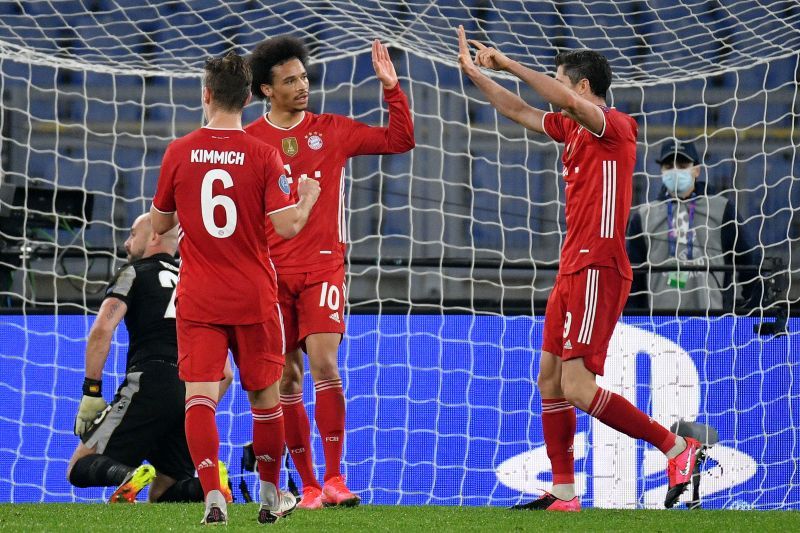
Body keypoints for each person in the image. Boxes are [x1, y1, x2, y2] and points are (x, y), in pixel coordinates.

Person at [456, 26, 704, 511]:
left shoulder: (613, 125)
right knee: (549, 379)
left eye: (560, 82)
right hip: (573, 267)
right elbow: (519, 109)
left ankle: (676, 447)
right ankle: (564, 490)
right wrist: (474, 75)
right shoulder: (571, 128)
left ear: (582, 88)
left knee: (576, 386)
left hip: (600, 267)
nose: (554, 89)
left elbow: (551, 99)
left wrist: (506, 63)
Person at [149, 51, 321, 525]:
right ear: (248, 96)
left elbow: (160, 224)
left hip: (200, 295)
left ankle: (213, 498)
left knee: (199, 397)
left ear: (206, 95)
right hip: (253, 294)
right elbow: (286, 228)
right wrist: (307, 197)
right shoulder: (264, 154)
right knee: (265, 397)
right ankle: (270, 497)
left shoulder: (178, 152)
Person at [244, 36, 415, 509]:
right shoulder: (250, 143)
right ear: (265, 90)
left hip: (323, 269)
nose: (302, 86)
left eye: (303, 77)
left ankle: (337, 477)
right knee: (286, 381)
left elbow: (400, 139)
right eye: (290, 80)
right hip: (269, 276)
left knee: (325, 364)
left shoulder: (332, 130)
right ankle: (311, 486)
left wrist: (392, 90)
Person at [67, 213, 234, 504]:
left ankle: (125, 475)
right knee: (164, 492)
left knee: (78, 467)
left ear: (155, 236)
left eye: (133, 234)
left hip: (150, 380)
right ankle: (209, 485)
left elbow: (102, 329)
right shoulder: (196, 280)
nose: (127, 243)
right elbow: (226, 373)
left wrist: (91, 391)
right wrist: (197, 409)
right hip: (191, 389)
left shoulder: (134, 272)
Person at [627, 138, 762, 312]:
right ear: (661, 170)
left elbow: (748, 261)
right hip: (657, 322)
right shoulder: (643, 216)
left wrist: (752, 310)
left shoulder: (722, 209)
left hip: (713, 319)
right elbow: (632, 277)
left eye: (682, 165)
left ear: (696, 170)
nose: (675, 171)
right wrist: (635, 317)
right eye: (669, 166)